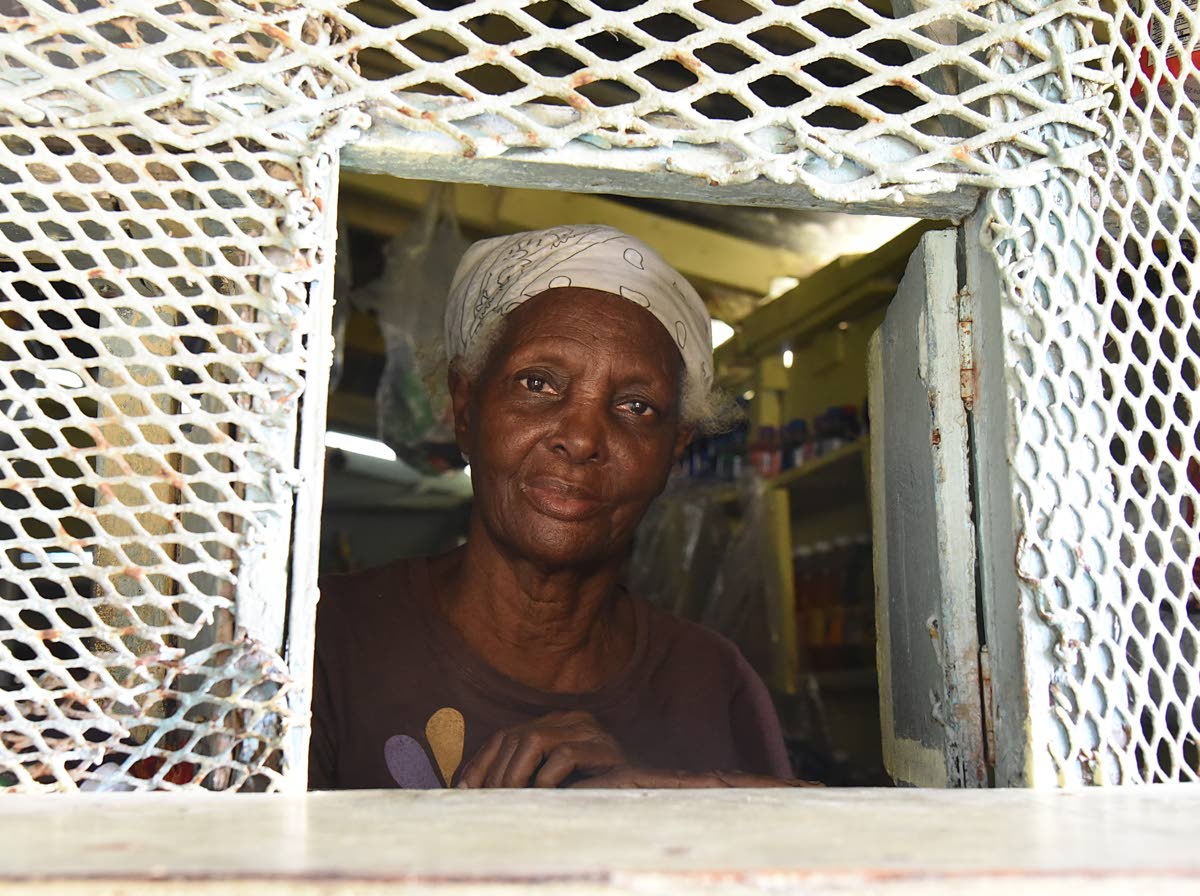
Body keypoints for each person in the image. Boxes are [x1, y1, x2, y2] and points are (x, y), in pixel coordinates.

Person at [310, 224, 796, 789]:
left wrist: (644, 802)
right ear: (465, 408)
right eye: (537, 383)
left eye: (636, 406)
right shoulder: (329, 643)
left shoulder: (712, 683)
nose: (583, 437)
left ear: (674, 450)